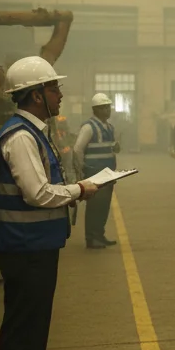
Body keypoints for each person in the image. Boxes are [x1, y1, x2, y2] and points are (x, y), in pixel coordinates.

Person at [0, 56, 100, 350]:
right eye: (54, 89)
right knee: (23, 326)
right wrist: (78, 190)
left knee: (35, 325)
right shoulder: (20, 136)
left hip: (35, 244)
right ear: (36, 95)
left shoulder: (33, 130)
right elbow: (36, 193)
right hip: (24, 246)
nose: (60, 95)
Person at [73, 93, 120, 249]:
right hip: (94, 174)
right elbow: (78, 149)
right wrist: (82, 170)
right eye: (104, 107)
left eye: (108, 107)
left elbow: (110, 147)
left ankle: (99, 234)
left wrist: (116, 148)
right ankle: (91, 238)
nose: (108, 110)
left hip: (107, 174)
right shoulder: (89, 127)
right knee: (95, 206)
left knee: (103, 206)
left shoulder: (109, 127)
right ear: (96, 109)